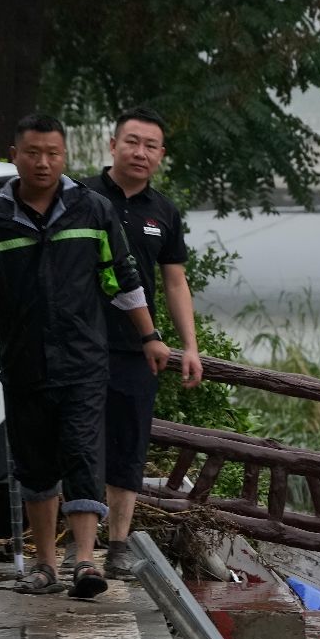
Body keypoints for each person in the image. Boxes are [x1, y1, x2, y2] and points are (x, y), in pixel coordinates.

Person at [0, 113, 161, 598]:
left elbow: (123, 279)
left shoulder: (91, 211)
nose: (43, 163)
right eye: (33, 153)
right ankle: (45, 565)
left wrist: (150, 336)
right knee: (35, 463)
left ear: (64, 157)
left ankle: (86, 562)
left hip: (83, 361)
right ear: (15, 156)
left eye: (53, 154)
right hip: (24, 363)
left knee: (83, 454)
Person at [88, 106, 202, 578]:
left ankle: (116, 545)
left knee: (128, 446)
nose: (140, 152)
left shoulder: (164, 212)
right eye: (132, 142)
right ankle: (74, 548)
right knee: (74, 442)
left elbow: (174, 282)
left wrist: (189, 346)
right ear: (113, 145)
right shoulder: (81, 196)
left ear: (161, 155)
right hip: (79, 342)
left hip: (137, 348)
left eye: (150, 146)